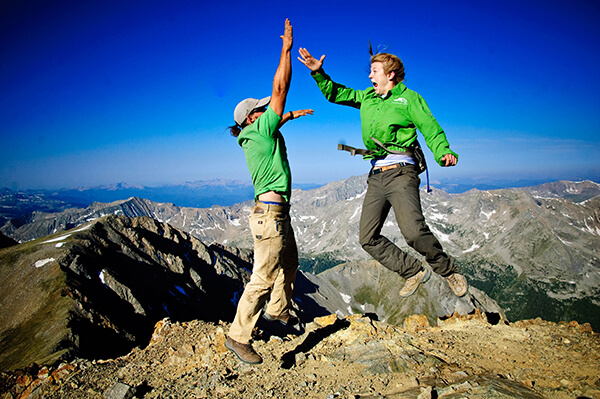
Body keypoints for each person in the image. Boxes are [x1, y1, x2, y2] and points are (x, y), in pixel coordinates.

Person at [298, 47, 468, 299]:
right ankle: (412, 271)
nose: (369, 76)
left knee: (413, 232)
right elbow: (336, 94)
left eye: (374, 71)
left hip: (402, 173)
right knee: (367, 238)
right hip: (376, 175)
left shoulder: (409, 99)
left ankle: (447, 269)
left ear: (390, 75)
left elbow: (430, 127)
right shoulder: (367, 97)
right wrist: (319, 72)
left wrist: (443, 151)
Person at [225, 19, 313, 365]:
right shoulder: (260, 131)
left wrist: (290, 115)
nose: (268, 110)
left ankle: (279, 310)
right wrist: (286, 49)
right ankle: (238, 336)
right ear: (251, 119)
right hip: (270, 216)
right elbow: (280, 89)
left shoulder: (258, 134)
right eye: (261, 110)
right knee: (263, 276)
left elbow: (277, 111)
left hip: (278, 214)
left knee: (290, 263)